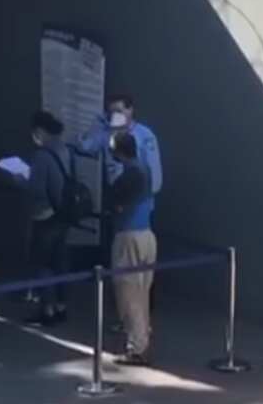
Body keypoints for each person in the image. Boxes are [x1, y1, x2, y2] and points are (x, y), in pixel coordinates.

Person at [79, 93, 162, 263]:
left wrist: (135, 200)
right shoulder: (106, 134)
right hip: (116, 207)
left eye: (119, 110)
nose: (115, 115)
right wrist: (97, 124)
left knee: (132, 263)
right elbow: (84, 146)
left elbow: (155, 178)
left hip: (137, 208)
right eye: (111, 112)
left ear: (130, 110)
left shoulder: (144, 135)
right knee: (117, 260)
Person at [105, 132, 156, 366]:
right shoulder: (145, 169)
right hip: (146, 234)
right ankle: (141, 338)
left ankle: (136, 348)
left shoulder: (127, 176)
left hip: (128, 236)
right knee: (142, 291)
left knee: (129, 294)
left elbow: (115, 204)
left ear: (117, 151)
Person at [23, 110, 71, 327]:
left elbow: (36, 190)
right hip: (63, 213)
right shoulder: (64, 150)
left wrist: (19, 179)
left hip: (45, 216)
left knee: (42, 262)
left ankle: (47, 308)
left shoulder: (41, 156)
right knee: (59, 261)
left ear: (40, 132)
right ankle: (61, 306)